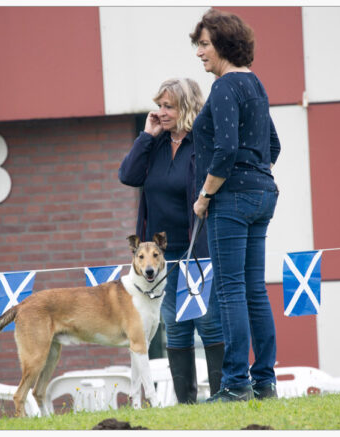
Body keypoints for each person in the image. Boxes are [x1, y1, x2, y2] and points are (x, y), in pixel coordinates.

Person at [189, 9, 281, 402]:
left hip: (231, 199)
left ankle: (235, 384)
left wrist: (206, 195)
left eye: (205, 44)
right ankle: (265, 382)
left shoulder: (225, 87)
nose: (199, 53)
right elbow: (273, 145)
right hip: (262, 194)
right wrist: (254, 172)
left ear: (224, 44)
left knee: (229, 291)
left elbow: (225, 150)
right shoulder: (255, 84)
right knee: (253, 290)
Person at [119, 78, 224, 404]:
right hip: (160, 258)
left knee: (207, 322)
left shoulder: (203, 143)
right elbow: (128, 175)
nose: (161, 112)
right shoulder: (156, 144)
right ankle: (186, 403)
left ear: (187, 107)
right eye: (159, 105)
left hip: (198, 248)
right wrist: (146, 136)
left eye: (169, 107)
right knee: (174, 325)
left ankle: (222, 395)